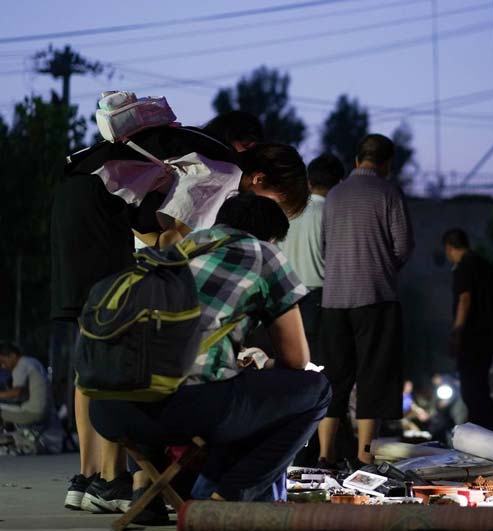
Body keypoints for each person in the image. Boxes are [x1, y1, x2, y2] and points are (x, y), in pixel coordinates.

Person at [52, 132, 309, 513]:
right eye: (279, 206)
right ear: (258, 182)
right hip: (98, 205)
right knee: (115, 340)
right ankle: (110, 481)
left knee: (97, 338)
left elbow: (159, 225)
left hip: (84, 196)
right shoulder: (224, 179)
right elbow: (173, 236)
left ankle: (91, 479)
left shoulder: (216, 161)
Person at [89, 193, 330, 525]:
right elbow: (296, 359)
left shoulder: (179, 251)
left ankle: (147, 492)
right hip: (184, 409)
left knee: (163, 371)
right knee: (316, 390)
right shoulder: (263, 252)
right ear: (270, 235)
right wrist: (265, 363)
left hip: (109, 411)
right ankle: (225, 497)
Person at [318, 134, 414, 466]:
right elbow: (402, 246)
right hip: (376, 297)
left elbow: (324, 246)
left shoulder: (334, 195)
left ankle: (324, 454)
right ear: (387, 164)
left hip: (333, 300)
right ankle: (364, 456)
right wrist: (384, 267)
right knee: (373, 377)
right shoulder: (389, 193)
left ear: (357, 160)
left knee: (335, 378)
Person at [279, 153, 344, 360]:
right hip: (318, 297)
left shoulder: (288, 210)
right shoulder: (334, 213)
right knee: (315, 358)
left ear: (308, 182)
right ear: (339, 183)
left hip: (284, 295)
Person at [443, 228, 493, 433]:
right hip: (488, 335)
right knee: (481, 387)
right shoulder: (487, 266)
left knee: (471, 390)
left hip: (471, 338)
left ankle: (485, 435)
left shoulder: (463, 267)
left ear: (449, 248)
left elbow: (464, 299)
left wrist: (457, 330)